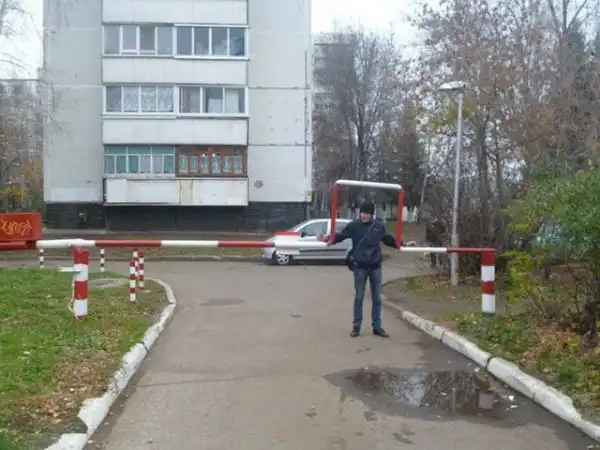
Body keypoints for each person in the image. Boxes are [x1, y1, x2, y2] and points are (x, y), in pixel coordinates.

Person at [320, 201, 416, 338]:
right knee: (359, 298)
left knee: (377, 299)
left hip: (375, 267)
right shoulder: (353, 226)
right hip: (360, 267)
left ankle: (377, 327)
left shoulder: (378, 227)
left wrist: (404, 244)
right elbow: (340, 236)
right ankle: (356, 327)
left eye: (367, 213)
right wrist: (327, 239)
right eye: (362, 213)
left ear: (372, 214)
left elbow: (388, 240)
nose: (364, 215)